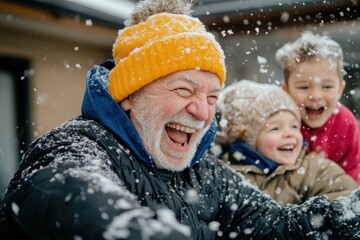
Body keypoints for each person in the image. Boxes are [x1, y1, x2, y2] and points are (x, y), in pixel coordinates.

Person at [1, 0, 360, 239]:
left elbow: (271, 223)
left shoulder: (203, 169)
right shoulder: (76, 145)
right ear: (130, 94)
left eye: (211, 98)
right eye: (185, 91)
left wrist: (345, 214)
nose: (202, 112)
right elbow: (69, 192)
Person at [215, 79, 358, 205]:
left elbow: (345, 194)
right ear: (248, 139)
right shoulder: (228, 174)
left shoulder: (311, 169)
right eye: (275, 128)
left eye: (294, 126)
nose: (289, 133)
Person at [275, 31, 360, 184]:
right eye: (303, 87)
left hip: (336, 195)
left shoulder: (347, 124)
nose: (315, 96)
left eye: (327, 87)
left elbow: (353, 171)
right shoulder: (281, 122)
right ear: (286, 91)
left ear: (340, 90)